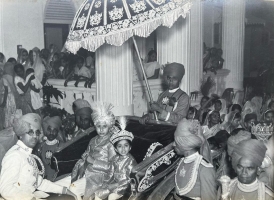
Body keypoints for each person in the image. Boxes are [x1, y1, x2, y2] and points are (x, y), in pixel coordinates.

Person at [0, 113, 76, 200]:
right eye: (30, 132)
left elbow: (39, 182)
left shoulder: (28, 155)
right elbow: (5, 189)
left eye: (37, 132)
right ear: (21, 134)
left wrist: (64, 190)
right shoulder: (15, 155)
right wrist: (30, 198)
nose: (35, 136)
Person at [70, 102, 117, 200]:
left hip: (100, 177)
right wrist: (85, 159)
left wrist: (94, 162)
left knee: (73, 189)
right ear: (95, 126)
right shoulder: (93, 140)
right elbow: (87, 154)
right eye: (98, 126)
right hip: (87, 172)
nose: (101, 129)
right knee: (69, 186)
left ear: (109, 126)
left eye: (104, 126)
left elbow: (113, 166)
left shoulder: (111, 143)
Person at [173, 118, 216, 200]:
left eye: (176, 141)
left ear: (185, 144)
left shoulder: (204, 168)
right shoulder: (181, 162)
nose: (173, 144)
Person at [95, 116, 137, 200]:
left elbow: (130, 179)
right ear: (115, 149)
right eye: (120, 146)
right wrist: (105, 183)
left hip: (126, 186)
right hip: (115, 184)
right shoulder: (115, 159)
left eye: (126, 146)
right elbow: (110, 172)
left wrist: (114, 185)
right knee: (98, 193)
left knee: (111, 197)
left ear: (130, 147)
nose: (123, 149)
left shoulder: (130, 160)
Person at [34, 116, 63, 181]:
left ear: (58, 132)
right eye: (49, 130)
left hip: (59, 179)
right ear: (45, 130)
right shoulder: (40, 147)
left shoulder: (61, 145)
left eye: (54, 130)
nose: (51, 133)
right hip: (44, 180)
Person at [0, 64, 17, 130]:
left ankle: (9, 127)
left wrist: (4, 101)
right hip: (4, 96)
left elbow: (6, 91)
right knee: (5, 113)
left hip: (7, 97)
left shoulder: (3, 79)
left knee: (8, 112)